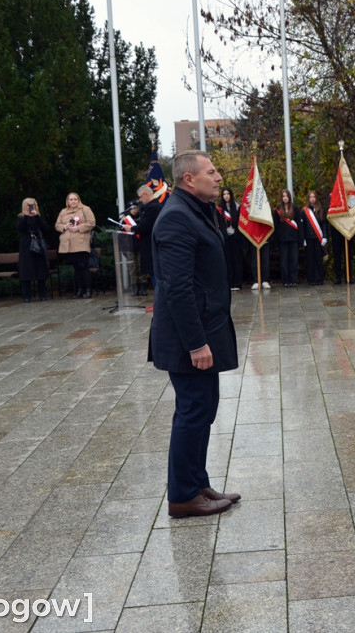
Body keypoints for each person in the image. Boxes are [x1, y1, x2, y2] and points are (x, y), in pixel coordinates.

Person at [149, 149, 240, 518]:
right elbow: (178, 288)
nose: (219, 178)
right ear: (190, 178)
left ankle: (197, 483)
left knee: (203, 410)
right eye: (212, 172)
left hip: (206, 331)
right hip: (189, 339)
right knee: (192, 411)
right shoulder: (176, 218)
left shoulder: (194, 211)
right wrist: (197, 343)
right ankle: (183, 496)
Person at [54, 192, 96, 298]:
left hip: (81, 242)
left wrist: (78, 228)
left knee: (83, 266)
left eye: (75, 199)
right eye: (71, 199)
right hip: (68, 245)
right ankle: (79, 290)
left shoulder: (85, 209)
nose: (73, 201)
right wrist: (65, 226)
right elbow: (57, 225)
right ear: (67, 201)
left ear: (78, 200)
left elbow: (92, 222)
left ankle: (88, 290)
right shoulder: (63, 212)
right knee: (76, 268)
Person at [130, 185, 163, 295]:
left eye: (140, 197)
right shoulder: (152, 206)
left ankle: (161, 300)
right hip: (149, 246)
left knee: (155, 276)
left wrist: (131, 228)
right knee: (153, 274)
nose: (140, 200)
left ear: (146, 194)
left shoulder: (153, 207)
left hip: (151, 246)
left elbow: (146, 226)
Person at [17, 198, 49, 302]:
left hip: (38, 245)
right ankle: (27, 296)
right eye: (28, 205)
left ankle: (42, 294)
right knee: (26, 270)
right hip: (26, 246)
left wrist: (36, 216)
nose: (30, 207)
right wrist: (26, 216)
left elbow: (45, 228)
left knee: (40, 270)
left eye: (32, 205)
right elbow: (19, 228)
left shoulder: (39, 216)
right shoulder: (21, 217)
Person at [300, 190, 328, 286]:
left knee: (318, 259)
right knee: (310, 259)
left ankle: (319, 278)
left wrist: (325, 236)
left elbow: (324, 224)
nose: (312, 199)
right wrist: (302, 238)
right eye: (310, 197)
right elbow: (302, 226)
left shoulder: (320, 209)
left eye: (314, 197)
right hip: (308, 238)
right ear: (308, 199)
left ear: (316, 198)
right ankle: (311, 279)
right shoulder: (304, 211)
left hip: (318, 238)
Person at [218, 187, 243, 291]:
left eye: (228, 194)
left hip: (236, 238)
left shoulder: (237, 206)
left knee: (237, 260)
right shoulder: (219, 209)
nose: (226, 196)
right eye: (224, 194)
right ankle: (230, 283)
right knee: (228, 261)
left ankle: (237, 283)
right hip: (226, 238)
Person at [274, 190, 300, 287]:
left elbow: (299, 224)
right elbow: (276, 226)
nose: (285, 198)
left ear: (289, 197)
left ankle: (293, 279)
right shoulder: (277, 209)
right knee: (284, 261)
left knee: (293, 260)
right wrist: (276, 241)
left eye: (286, 196)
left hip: (293, 239)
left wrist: (300, 239)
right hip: (282, 239)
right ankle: (285, 280)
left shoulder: (294, 208)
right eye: (283, 196)